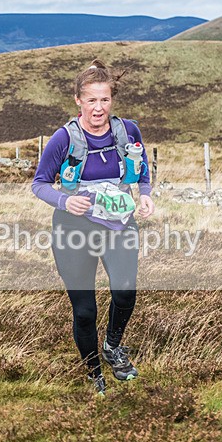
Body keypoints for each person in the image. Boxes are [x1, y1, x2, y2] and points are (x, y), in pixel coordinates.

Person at [32, 60, 155, 395]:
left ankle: (113, 346)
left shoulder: (128, 131)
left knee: (125, 292)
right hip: (73, 228)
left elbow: (142, 170)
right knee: (85, 311)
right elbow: (39, 184)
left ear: (111, 99)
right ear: (78, 100)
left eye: (105, 100)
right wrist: (64, 201)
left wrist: (144, 196)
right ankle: (93, 373)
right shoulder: (63, 138)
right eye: (91, 101)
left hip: (119, 224)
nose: (99, 108)